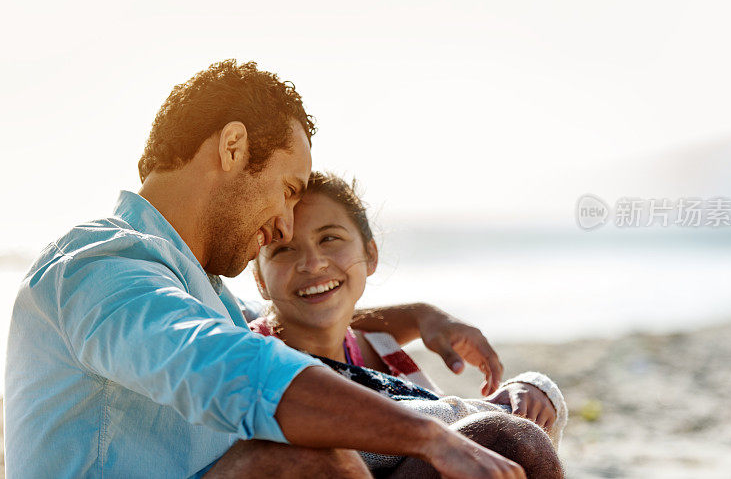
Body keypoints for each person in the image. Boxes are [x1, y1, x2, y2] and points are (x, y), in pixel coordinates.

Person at [3, 60, 537, 478]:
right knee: (306, 464)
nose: (284, 225)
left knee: (506, 441)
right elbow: (228, 366)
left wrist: (419, 318)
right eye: (288, 190)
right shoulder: (100, 266)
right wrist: (430, 437)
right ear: (233, 147)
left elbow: (293, 318)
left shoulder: (201, 290)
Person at [251, 171, 567, 473]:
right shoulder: (253, 358)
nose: (312, 263)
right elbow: (351, 434)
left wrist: (530, 397)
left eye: (330, 238)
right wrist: (499, 414)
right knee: (513, 439)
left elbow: (442, 427)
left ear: (371, 254)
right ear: (260, 280)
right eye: (283, 249)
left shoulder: (381, 349)